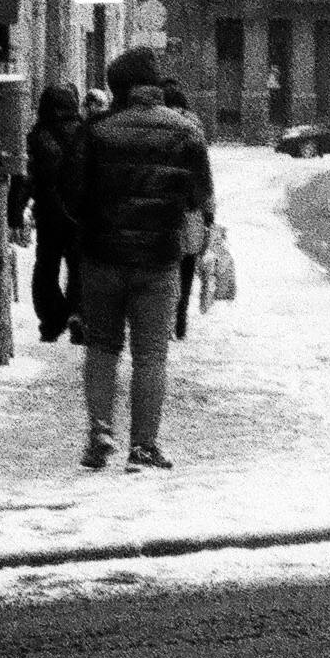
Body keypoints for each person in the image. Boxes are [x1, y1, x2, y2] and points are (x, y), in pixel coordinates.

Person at [71, 46, 214, 471]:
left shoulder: (96, 132)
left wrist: (92, 225)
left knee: (101, 347)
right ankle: (143, 445)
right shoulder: (185, 132)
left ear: (120, 88)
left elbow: (72, 193)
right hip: (158, 261)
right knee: (150, 356)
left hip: (101, 258)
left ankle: (100, 428)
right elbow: (201, 197)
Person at [21, 82, 84, 343]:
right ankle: (78, 314)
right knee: (79, 266)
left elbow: (29, 176)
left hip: (48, 212)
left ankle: (51, 318)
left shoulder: (37, 135)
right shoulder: (85, 133)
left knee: (46, 266)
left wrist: (19, 208)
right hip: (79, 212)